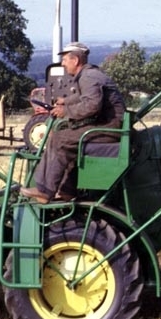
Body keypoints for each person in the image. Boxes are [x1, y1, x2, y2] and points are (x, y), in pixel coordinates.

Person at [20, 42, 125, 203]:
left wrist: (66, 111)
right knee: (66, 135)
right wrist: (65, 101)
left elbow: (92, 105)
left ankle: (44, 191)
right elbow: (84, 96)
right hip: (110, 125)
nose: (62, 64)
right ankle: (66, 191)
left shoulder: (88, 77)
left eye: (64, 60)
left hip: (110, 127)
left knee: (61, 139)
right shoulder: (89, 75)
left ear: (75, 60)